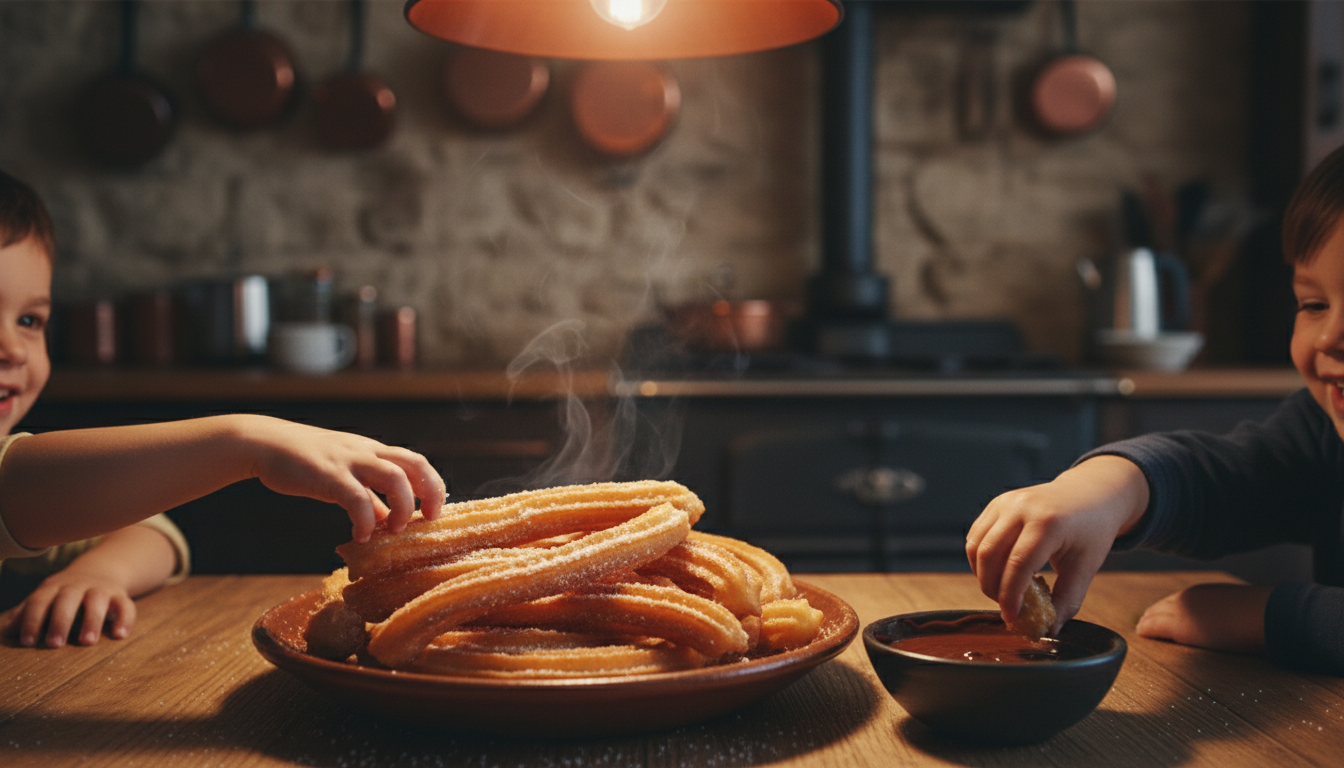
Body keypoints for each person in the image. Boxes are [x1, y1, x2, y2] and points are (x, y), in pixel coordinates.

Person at [0, 169, 445, 649]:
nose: (13, 349)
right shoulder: (27, 489)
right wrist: (247, 442)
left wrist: (97, 573)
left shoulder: (50, 501)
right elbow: (15, 490)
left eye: (29, 320)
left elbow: (153, 534)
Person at [966, 146, 1344, 676]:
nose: (1329, 337)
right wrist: (1108, 490)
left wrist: (1269, 616)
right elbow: (1226, 478)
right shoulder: (1324, 433)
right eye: (1313, 304)